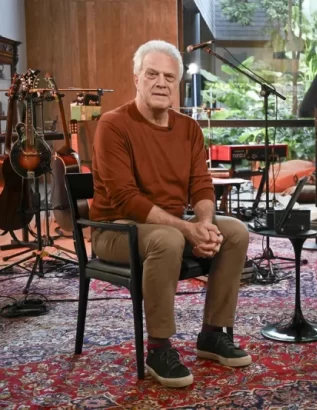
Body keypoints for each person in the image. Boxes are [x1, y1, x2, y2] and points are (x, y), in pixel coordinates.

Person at [89, 40, 252, 388]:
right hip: (113, 230)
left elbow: (202, 186)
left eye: (169, 76)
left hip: (169, 226)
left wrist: (204, 225)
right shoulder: (113, 125)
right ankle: (158, 347)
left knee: (235, 231)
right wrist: (187, 230)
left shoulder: (189, 129)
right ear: (136, 78)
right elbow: (125, 199)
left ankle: (212, 333)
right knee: (168, 237)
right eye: (152, 74)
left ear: (177, 83)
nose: (161, 83)